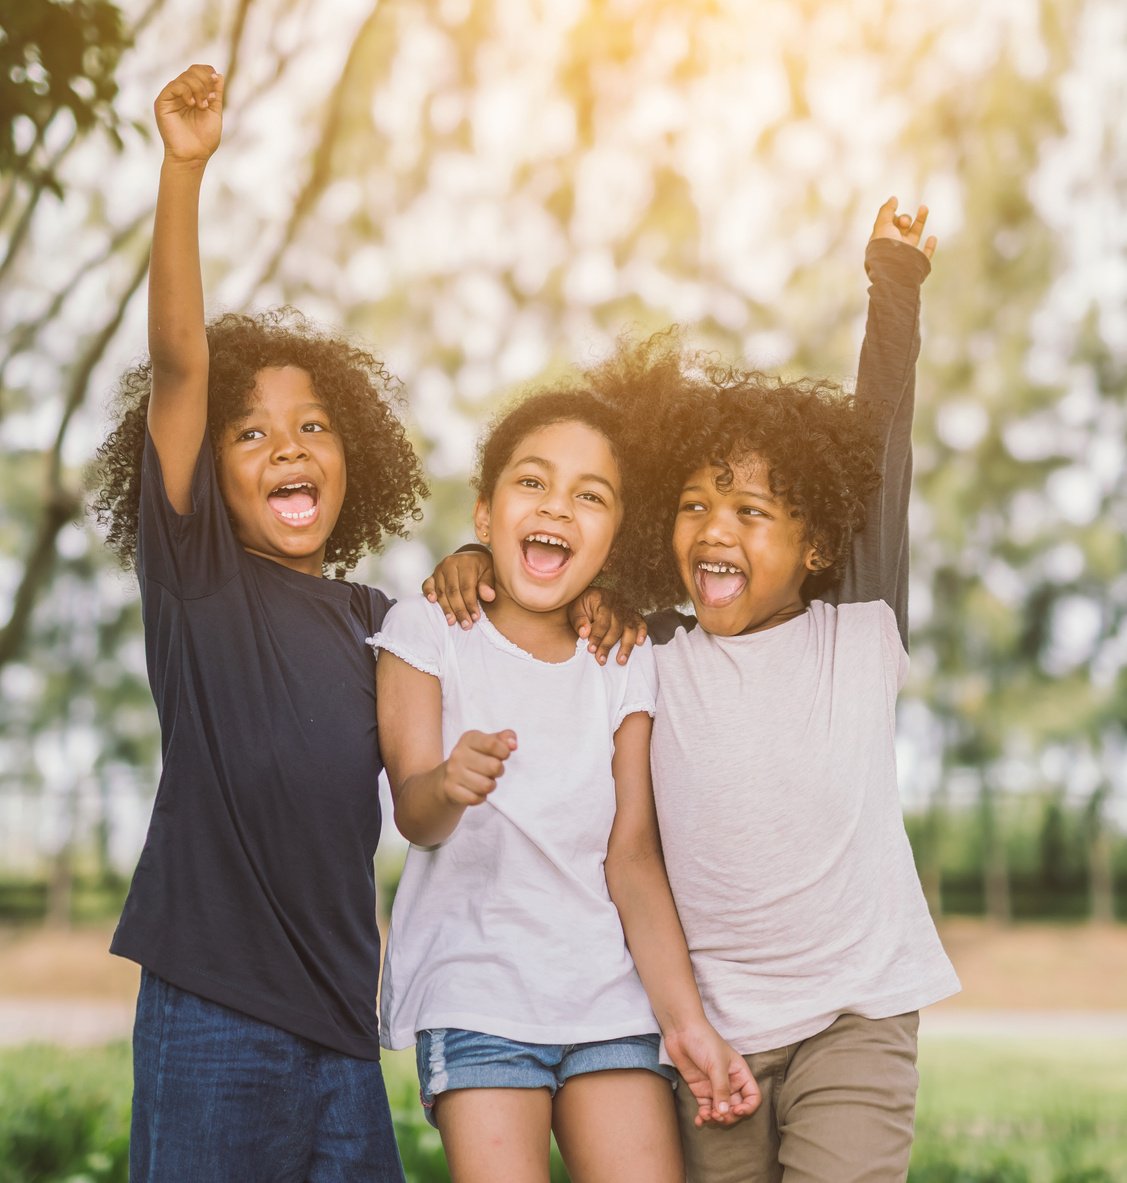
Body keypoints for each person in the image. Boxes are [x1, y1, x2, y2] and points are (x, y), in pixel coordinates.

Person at [427, 200, 961, 1182]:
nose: (714, 528)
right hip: (708, 1032)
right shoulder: (646, 647)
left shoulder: (856, 626)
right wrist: (474, 558)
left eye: (750, 510)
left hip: (854, 1013)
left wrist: (894, 280)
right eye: (692, 505)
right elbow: (550, 564)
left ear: (814, 541)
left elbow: (883, 441)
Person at [90, 65, 427, 1181]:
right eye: (250, 433)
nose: (288, 445)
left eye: (314, 425)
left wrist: (480, 566)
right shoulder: (198, 583)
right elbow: (181, 359)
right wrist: (184, 171)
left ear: (353, 456)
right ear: (210, 471)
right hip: (212, 1015)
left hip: (342, 1028)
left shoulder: (384, 623)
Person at [370, 384, 759, 1183]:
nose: (556, 506)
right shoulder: (426, 629)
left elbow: (632, 858)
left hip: (608, 1000)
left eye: (590, 495)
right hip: (475, 994)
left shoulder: (622, 657)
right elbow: (415, 814)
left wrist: (686, 1024)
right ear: (484, 515)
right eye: (532, 481)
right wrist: (447, 782)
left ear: (614, 538)